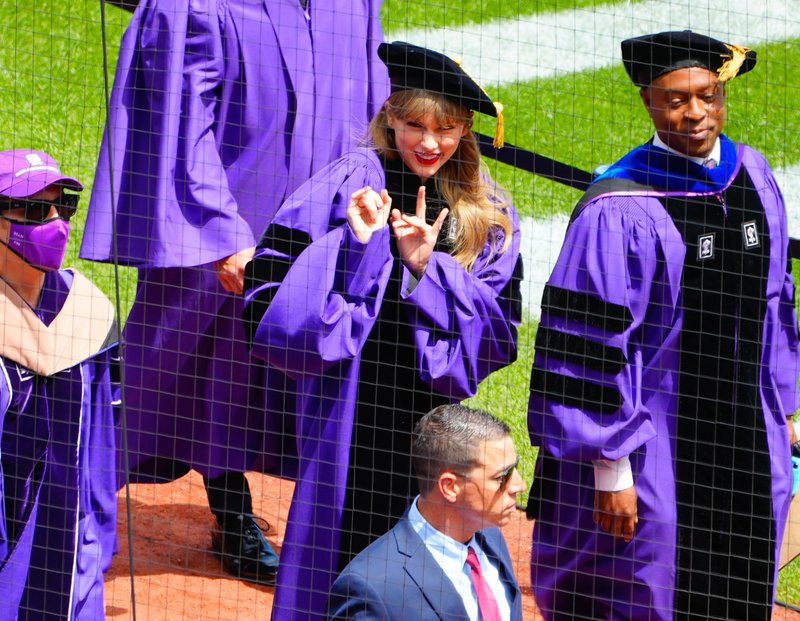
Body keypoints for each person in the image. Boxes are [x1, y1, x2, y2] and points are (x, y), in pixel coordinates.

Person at [79, 0, 389, 585]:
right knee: (174, 376)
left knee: (280, 379)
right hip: (219, 231)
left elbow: (371, 113)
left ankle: (257, 510)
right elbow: (177, 123)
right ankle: (73, 498)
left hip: (316, 228)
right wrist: (221, 236)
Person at [243, 42, 523, 620]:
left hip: (434, 416)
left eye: (447, 128)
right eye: (415, 124)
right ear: (389, 116)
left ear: (467, 128)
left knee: (435, 557)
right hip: (352, 410)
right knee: (351, 552)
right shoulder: (350, 184)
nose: (430, 142)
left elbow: (500, 335)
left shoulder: (484, 209)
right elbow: (266, 295)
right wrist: (353, 244)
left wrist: (427, 267)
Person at [527, 30, 800, 620]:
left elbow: (776, 299)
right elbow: (592, 345)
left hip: (749, 433)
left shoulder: (751, 174)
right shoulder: (619, 208)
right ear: (647, 102)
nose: (697, 112)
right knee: (646, 589)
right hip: (656, 447)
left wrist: (783, 410)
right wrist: (611, 469)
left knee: (742, 577)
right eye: (676, 98)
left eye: (708, 94)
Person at [0, 149, 118, 619]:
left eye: (61, 206)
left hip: (73, 554)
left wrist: (98, 543)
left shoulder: (86, 314)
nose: (54, 221)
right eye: (32, 210)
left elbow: (101, 448)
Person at [328, 404, 524, 620]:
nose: (518, 485)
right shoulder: (371, 591)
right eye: (501, 477)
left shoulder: (489, 537)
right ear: (450, 486)